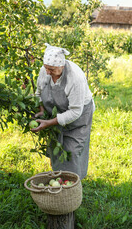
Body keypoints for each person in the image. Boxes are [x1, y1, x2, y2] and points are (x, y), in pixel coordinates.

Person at [31, 43, 95, 181]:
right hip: (58, 112)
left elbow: (75, 111)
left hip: (79, 116)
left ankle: (73, 184)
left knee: (72, 150)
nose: (47, 72)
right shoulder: (45, 70)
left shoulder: (75, 78)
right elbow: (38, 92)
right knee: (57, 147)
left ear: (62, 66)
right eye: (46, 68)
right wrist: (42, 110)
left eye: (52, 69)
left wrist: (49, 122)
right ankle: (59, 180)